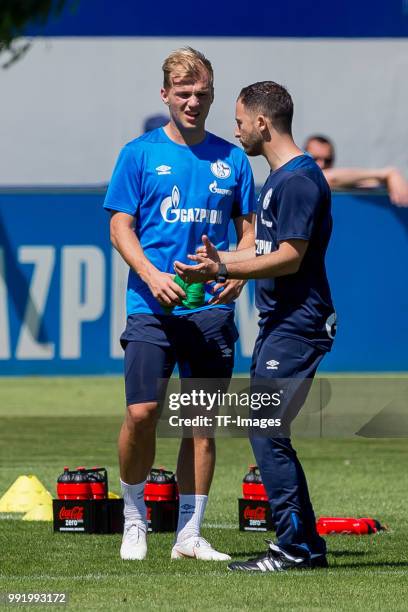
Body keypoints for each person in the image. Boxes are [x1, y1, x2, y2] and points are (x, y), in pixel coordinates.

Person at [175, 81, 336, 572]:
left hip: (300, 324)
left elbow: (289, 257)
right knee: (265, 426)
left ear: (262, 123)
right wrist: (219, 261)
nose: (237, 129)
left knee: (263, 426)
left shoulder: (300, 181)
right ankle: (303, 545)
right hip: (281, 323)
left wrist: (223, 269)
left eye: (241, 120)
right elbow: (266, 252)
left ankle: (294, 547)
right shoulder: (279, 179)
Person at [103, 47, 255, 561]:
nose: (193, 101)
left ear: (212, 94)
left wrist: (235, 273)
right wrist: (149, 273)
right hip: (150, 305)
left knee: (200, 423)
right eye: (183, 93)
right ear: (165, 94)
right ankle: (134, 518)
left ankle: (189, 535)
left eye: (202, 93)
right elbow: (119, 224)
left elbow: (249, 228)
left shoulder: (233, 158)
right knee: (142, 412)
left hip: (210, 308)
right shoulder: (138, 154)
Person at [304, 134, 408, 207]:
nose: (321, 164)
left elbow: (369, 183)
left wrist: (391, 178)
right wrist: (386, 172)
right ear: (304, 157)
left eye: (327, 160)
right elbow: (328, 178)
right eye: (315, 158)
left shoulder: (341, 181)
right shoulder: (298, 178)